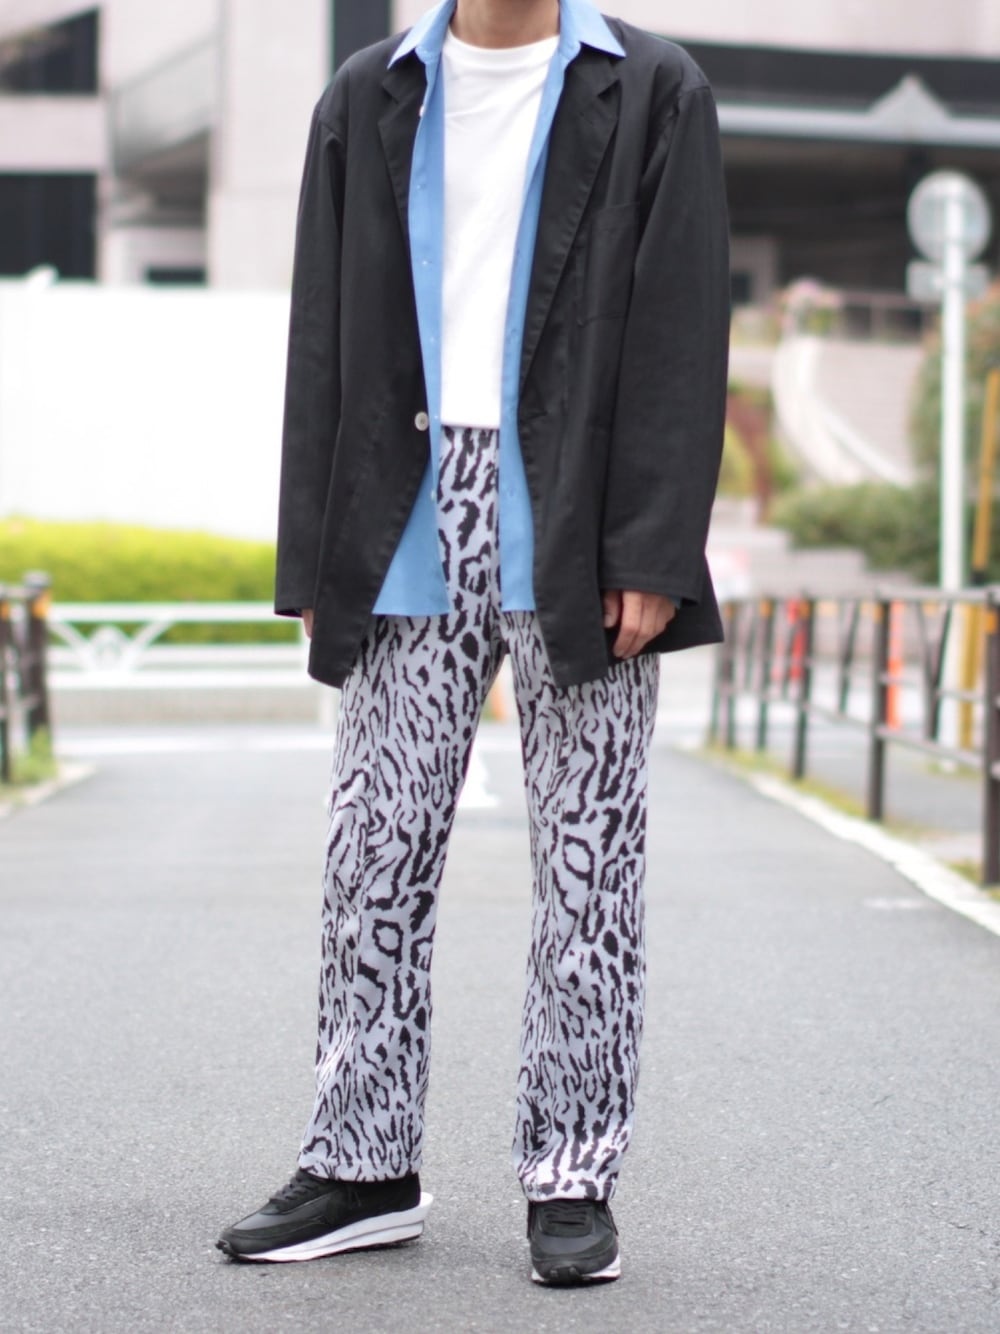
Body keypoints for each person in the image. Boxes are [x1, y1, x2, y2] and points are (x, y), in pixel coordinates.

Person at [217, 0, 730, 1285]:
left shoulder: (653, 88)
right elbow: (323, 334)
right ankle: (361, 1162)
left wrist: (652, 549)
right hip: (401, 513)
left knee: (589, 867)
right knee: (373, 855)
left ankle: (571, 1174)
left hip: (578, 514)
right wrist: (311, 554)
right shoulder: (367, 92)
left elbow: (681, 329)